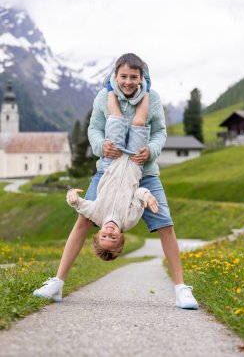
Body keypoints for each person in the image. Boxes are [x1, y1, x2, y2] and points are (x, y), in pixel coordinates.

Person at [33, 53, 198, 310]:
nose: (129, 82)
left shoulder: (152, 99)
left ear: (142, 77)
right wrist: (101, 145)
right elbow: (94, 129)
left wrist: (151, 151)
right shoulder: (103, 97)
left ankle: (181, 289)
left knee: (165, 225)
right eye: (124, 77)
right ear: (116, 75)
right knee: (82, 222)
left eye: (134, 77)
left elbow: (160, 133)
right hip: (108, 168)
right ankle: (56, 283)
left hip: (145, 172)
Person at [66, 87, 158, 261]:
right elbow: (137, 196)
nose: (109, 232)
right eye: (113, 237)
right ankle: (145, 87)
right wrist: (147, 196)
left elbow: (80, 205)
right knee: (139, 122)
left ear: (98, 233)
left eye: (104, 236)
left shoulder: (96, 215)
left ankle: (110, 88)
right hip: (134, 161)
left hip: (111, 162)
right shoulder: (129, 220)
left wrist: (72, 197)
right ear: (121, 237)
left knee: (116, 118)